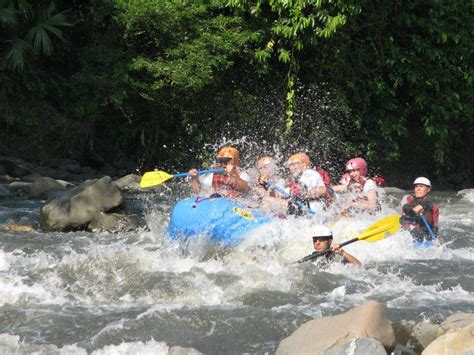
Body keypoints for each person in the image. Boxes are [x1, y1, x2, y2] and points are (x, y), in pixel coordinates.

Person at [400, 177, 439, 242]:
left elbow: (435, 227)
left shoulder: (434, 207)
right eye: (416, 186)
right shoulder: (409, 199)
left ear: (428, 189)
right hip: (408, 234)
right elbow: (405, 207)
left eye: (421, 186)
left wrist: (434, 238)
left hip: (424, 235)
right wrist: (413, 209)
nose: (418, 189)